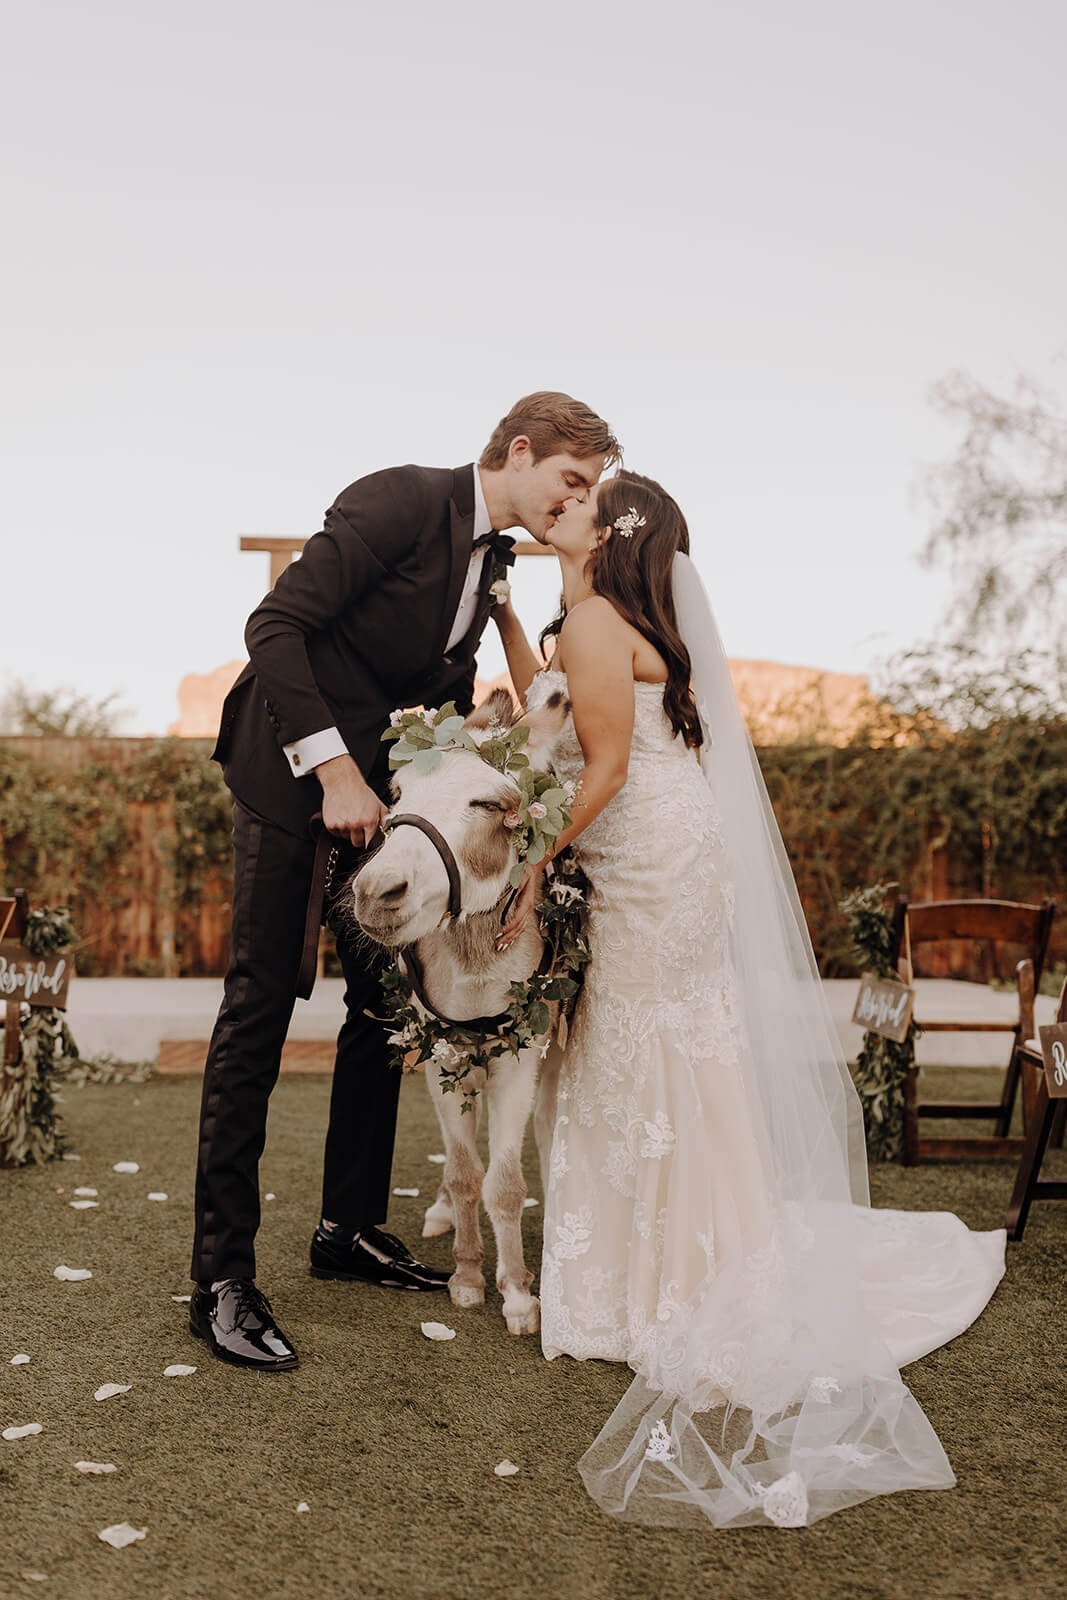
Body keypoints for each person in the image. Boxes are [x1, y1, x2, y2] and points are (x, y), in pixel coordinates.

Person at [491, 472, 1006, 1529]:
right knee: (670, 1042)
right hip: (677, 847)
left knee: (628, 1045)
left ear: (609, 535)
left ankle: (640, 1293)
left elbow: (598, 763)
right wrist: (504, 614)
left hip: (641, 853)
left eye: (583, 505)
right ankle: (694, 1260)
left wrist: (538, 858)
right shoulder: (634, 621)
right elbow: (556, 706)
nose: (564, 512)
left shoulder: (591, 617)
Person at [188, 392, 620, 1372]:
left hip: (380, 804)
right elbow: (275, 626)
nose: (577, 500)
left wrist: (469, 743)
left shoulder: (493, 563)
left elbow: (432, 689)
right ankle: (219, 1278)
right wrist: (333, 769)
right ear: (518, 450)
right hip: (286, 770)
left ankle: (347, 1228)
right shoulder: (396, 503)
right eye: (570, 478)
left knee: (383, 1010)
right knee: (259, 1004)